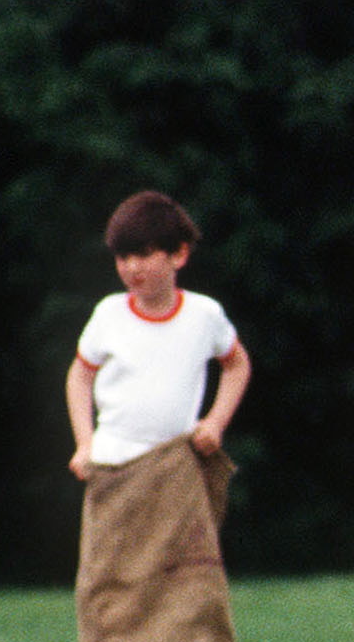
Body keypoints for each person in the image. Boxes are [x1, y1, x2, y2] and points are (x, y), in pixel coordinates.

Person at [66, 192, 250, 484]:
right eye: (123, 257)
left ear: (179, 254)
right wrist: (85, 444)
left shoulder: (204, 315)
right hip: (110, 466)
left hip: (178, 467)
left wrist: (215, 422)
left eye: (144, 254)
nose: (132, 267)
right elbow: (80, 376)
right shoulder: (108, 314)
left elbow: (236, 364)